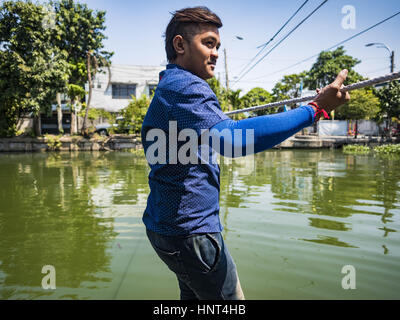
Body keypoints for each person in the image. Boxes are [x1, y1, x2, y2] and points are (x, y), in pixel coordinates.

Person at [141, 6, 350, 300]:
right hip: (192, 233)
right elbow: (234, 140)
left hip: (169, 230)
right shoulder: (186, 86)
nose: (214, 53)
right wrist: (314, 110)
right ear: (180, 45)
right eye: (208, 43)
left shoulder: (169, 86)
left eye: (217, 46)